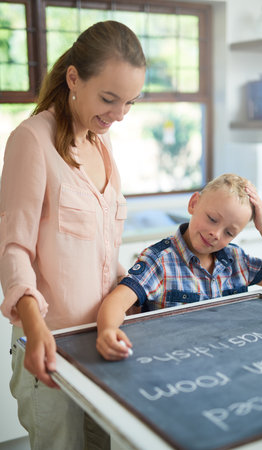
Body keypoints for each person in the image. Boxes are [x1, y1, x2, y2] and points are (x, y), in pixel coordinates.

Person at [0, 20, 146, 449]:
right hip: (51, 346)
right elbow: (13, 248)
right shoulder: (31, 140)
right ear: (73, 79)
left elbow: (99, 251)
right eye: (109, 98)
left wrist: (133, 289)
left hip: (102, 344)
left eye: (130, 103)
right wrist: (34, 327)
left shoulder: (103, 147)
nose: (119, 115)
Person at [96, 173, 262, 360]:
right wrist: (107, 330)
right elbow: (116, 301)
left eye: (229, 233)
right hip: (171, 362)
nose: (216, 234)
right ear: (194, 203)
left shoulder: (236, 261)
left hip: (228, 360)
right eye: (212, 219)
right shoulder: (160, 261)